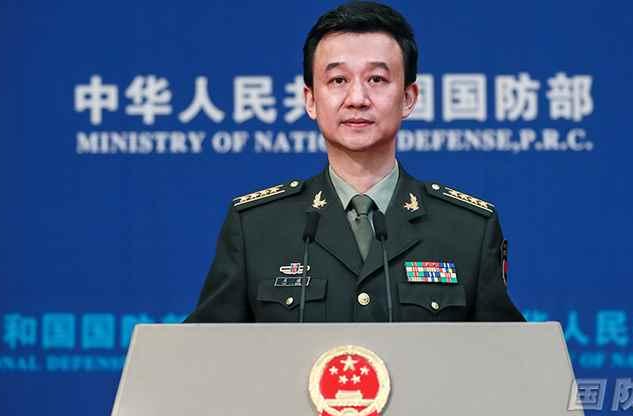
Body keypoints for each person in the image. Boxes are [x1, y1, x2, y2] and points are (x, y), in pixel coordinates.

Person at [185, 1, 524, 323]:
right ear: (310, 100)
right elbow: (204, 352)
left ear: (408, 98)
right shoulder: (256, 227)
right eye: (338, 80)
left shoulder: (468, 229)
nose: (357, 99)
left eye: (376, 79)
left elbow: (508, 356)